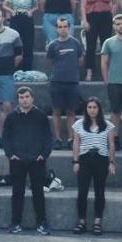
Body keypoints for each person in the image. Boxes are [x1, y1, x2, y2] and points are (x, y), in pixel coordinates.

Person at [1, 87, 52, 235]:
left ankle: (42, 222)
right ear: (18, 100)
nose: (25, 99)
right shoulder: (11, 117)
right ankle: (15, 222)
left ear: (32, 98)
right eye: (21, 97)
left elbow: (48, 137)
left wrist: (44, 154)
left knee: (38, 192)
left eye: (27, 96)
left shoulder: (41, 116)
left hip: (37, 160)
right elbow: (6, 138)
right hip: (17, 160)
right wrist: (11, 155)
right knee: (17, 192)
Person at [71, 96, 116, 235]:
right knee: (82, 191)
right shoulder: (78, 124)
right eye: (89, 107)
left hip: (101, 159)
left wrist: (111, 162)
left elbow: (111, 144)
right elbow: (76, 143)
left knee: (99, 191)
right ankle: (81, 221)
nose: (92, 110)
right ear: (86, 109)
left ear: (99, 109)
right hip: (84, 159)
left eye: (94, 107)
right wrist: (76, 161)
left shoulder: (108, 125)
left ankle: (97, 221)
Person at [46, 17, 86, 148]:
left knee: (71, 112)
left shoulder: (76, 43)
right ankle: (57, 139)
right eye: (60, 26)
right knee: (56, 112)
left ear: (68, 28)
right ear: (57, 28)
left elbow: (80, 61)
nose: (62, 29)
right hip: (56, 82)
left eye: (65, 26)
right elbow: (50, 63)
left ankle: (70, 139)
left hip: (72, 83)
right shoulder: (52, 45)